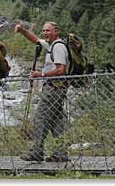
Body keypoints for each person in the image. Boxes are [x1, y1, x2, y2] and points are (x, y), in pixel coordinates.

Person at [15, 21, 69, 162]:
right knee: (57, 121)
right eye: (44, 30)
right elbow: (36, 40)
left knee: (39, 117)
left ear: (56, 31)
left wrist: (42, 75)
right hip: (56, 88)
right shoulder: (52, 45)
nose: (45, 33)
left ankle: (37, 152)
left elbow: (61, 69)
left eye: (48, 31)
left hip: (53, 88)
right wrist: (22, 31)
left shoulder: (58, 48)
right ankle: (60, 153)